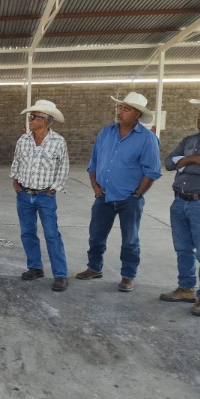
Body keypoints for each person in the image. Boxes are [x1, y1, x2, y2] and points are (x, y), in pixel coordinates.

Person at [77, 92, 161, 292]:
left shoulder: (147, 139)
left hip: (129, 198)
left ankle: (128, 276)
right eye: (120, 108)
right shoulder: (106, 132)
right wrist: (95, 186)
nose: (120, 112)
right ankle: (94, 268)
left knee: (130, 240)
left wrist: (137, 194)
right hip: (104, 196)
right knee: (96, 235)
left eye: (126, 109)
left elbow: (152, 171)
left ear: (138, 114)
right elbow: (94, 162)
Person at [160, 94, 200, 316]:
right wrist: (194, 159)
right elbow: (168, 163)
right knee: (183, 249)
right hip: (180, 201)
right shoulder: (190, 140)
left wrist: (182, 163)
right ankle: (186, 288)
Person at [10, 100, 70, 291]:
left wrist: (53, 189)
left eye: (34, 117)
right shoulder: (23, 140)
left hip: (45, 196)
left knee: (52, 234)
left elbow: (63, 168)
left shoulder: (58, 142)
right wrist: (16, 184)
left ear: (45, 120)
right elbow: (16, 163)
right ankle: (35, 268)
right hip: (24, 195)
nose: (30, 119)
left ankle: (60, 275)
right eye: (30, 116)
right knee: (27, 233)